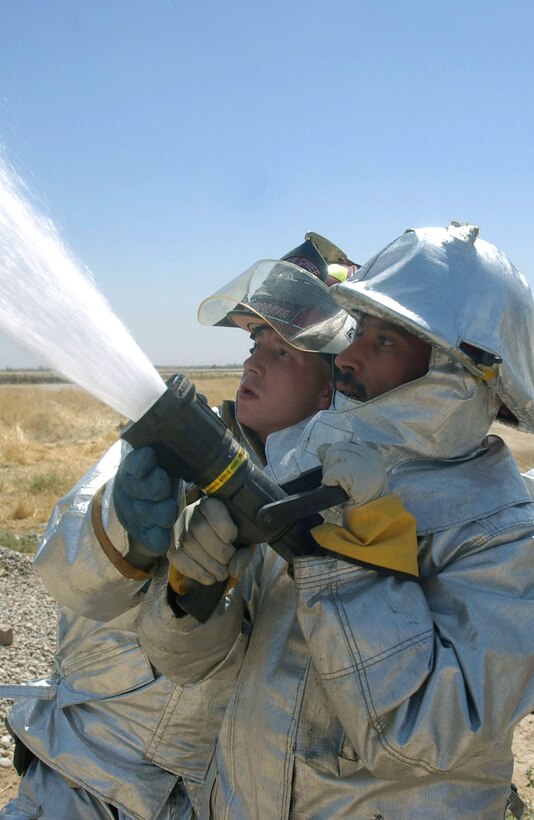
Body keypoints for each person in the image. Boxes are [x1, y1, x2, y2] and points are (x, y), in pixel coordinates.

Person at [138, 223, 534, 819]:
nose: (345, 357)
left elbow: (429, 740)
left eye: (385, 341)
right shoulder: (309, 462)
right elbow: (193, 668)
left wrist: (354, 561)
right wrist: (194, 596)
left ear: (457, 372)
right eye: (359, 331)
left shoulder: (503, 532)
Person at [0, 234, 356, 819]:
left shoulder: (334, 499)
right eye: (254, 340)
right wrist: (123, 529)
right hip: (80, 780)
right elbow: (61, 573)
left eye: (284, 349)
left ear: (331, 386)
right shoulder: (179, 446)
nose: (253, 360)